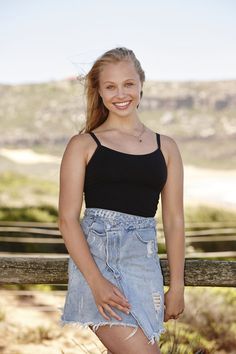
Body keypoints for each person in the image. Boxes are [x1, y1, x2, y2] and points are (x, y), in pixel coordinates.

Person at [58, 47, 185, 354]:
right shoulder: (83, 145)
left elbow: (174, 220)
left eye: (128, 84)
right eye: (110, 86)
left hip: (145, 268)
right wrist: (96, 282)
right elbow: (66, 219)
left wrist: (177, 285)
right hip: (97, 266)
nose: (121, 94)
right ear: (99, 92)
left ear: (141, 83)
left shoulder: (165, 147)